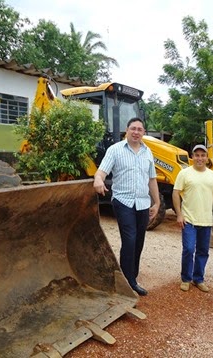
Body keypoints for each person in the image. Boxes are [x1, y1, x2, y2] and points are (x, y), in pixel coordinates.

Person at [93, 117, 160, 296]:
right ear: (127, 130)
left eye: (140, 129)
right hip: (123, 201)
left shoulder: (148, 152)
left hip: (143, 203)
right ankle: (127, 282)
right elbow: (101, 171)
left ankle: (132, 277)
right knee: (129, 240)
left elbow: (152, 179)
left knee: (139, 241)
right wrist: (98, 179)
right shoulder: (115, 150)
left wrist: (157, 202)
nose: (136, 132)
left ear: (143, 133)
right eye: (133, 128)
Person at [172, 144, 213, 292]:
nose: (200, 158)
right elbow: (176, 193)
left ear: (207, 158)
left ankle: (198, 278)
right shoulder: (184, 173)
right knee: (189, 249)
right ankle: (186, 278)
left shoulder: (212, 175)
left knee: (203, 251)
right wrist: (179, 214)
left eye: (203, 155)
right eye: (197, 155)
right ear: (192, 157)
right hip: (189, 220)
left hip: (206, 221)